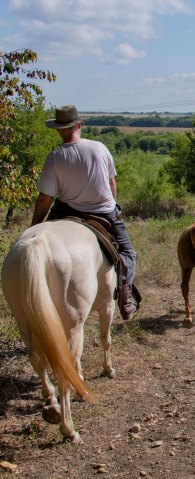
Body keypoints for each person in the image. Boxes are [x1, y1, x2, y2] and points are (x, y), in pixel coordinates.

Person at [31, 104, 140, 321]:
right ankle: (126, 297)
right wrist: (112, 205)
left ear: (58, 129)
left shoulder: (54, 157)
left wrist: (34, 226)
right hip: (103, 211)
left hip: (66, 209)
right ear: (78, 125)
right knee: (128, 253)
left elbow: (45, 198)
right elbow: (111, 183)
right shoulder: (100, 148)